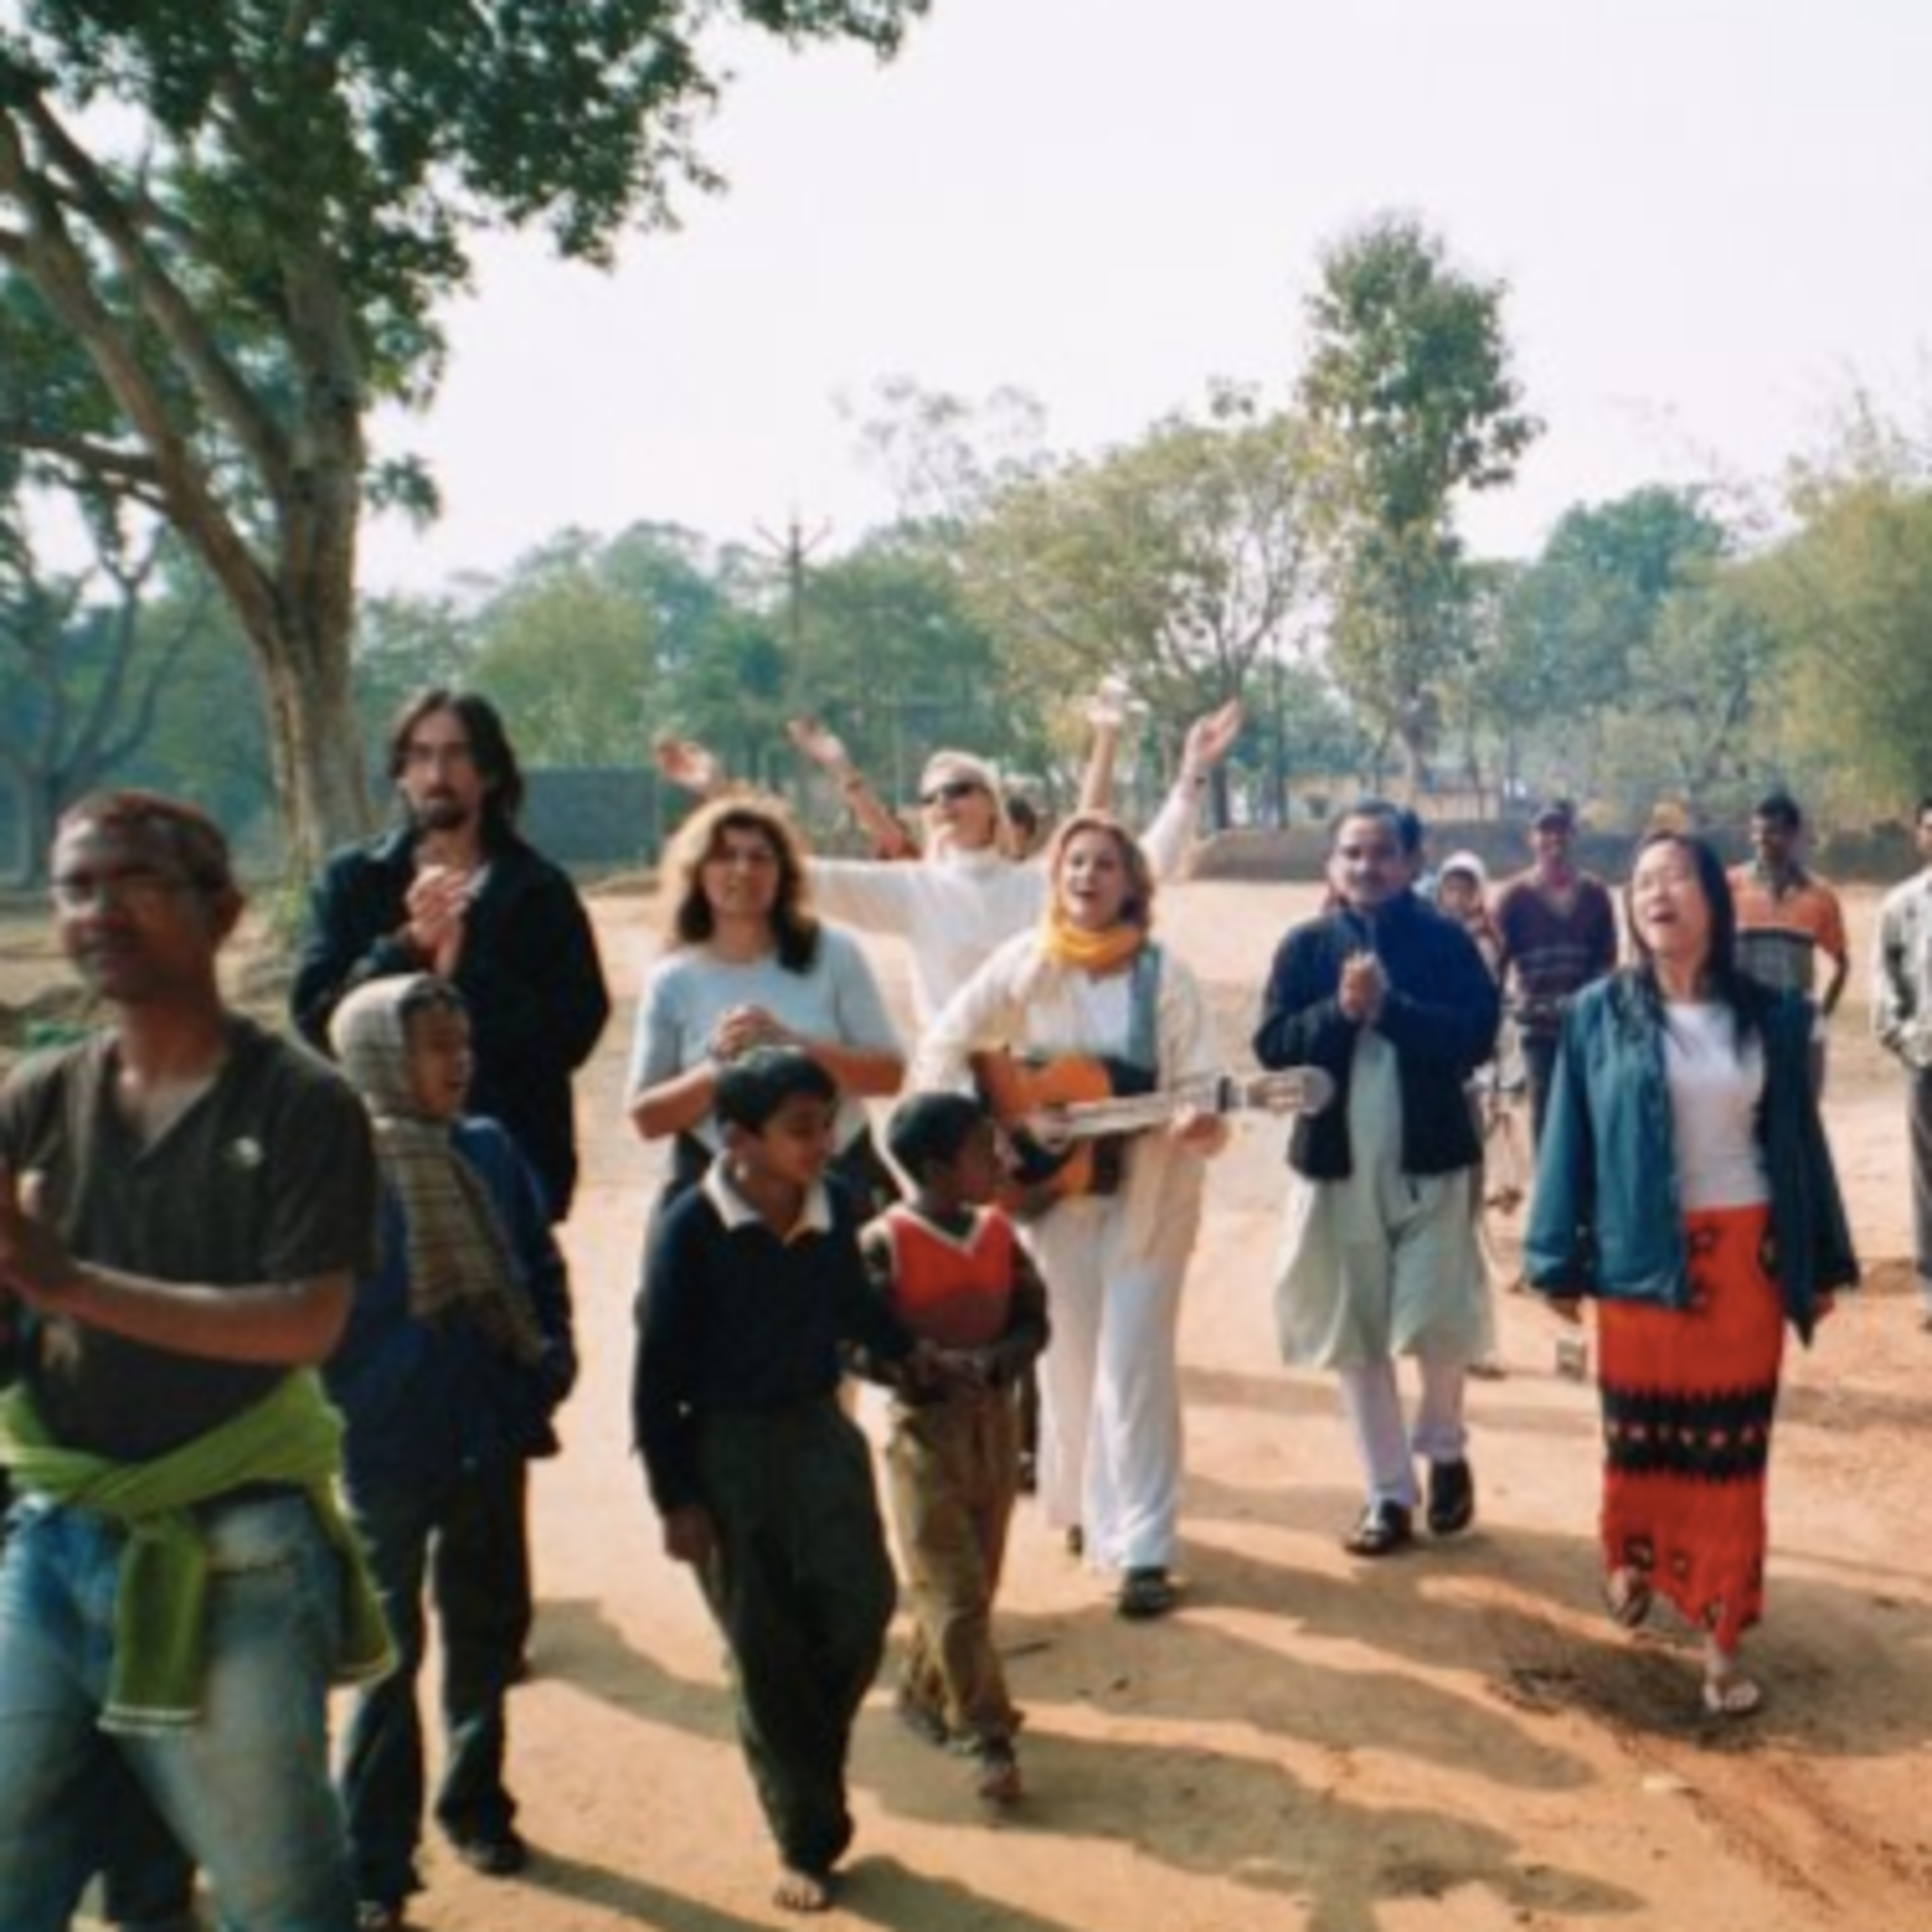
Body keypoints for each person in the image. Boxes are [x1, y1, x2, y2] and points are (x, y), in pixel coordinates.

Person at [0, 790, 389, 1930]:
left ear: (222, 912)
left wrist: (70, 1283)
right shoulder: (37, 1097)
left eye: (136, 881)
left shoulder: (305, 1102)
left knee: (281, 1897)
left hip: (239, 1552)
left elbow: (305, 1323)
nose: (99, 911)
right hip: (54, 1533)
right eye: (77, 887)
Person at [1525, 831, 1857, 1716]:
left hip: (1744, 1268)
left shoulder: (1773, 1014)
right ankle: (1634, 1558)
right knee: (1639, 1443)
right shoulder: (1599, 1012)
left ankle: (1721, 1641)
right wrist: (1556, 1257)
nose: (1657, 893)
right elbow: (1567, 1137)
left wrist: (1821, 1258)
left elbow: (1799, 1143)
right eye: (1642, 882)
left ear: (1714, 897)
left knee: (1729, 1462)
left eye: (1676, 877)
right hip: (1637, 1264)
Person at [632, 1047, 929, 1913]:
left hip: (818, 1435)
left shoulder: (834, 1203)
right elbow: (656, 1373)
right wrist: (675, 1498)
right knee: (764, 1646)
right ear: (737, 1139)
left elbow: (854, 1307)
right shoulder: (690, 1227)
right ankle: (807, 1838)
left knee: (863, 1606)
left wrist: (914, 1356)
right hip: (725, 1452)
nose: (823, 1142)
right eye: (801, 1129)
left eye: (827, 1124)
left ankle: (801, 1744)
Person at [912, 811, 1229, 1618]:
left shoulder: (1165, 976)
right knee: (1072, 1362)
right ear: (1055, 878)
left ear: (1132, 885)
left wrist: (1198, 1120)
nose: (1088, 877)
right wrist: (1001, 1131)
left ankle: (1146, 1548)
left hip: (1151, 1197)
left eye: (1106, 865)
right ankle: (1090, 1509)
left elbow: (1202, 1082)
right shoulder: (1023, 965)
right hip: (1052, 1200)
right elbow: (942, 1049)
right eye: (1075, 863)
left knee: (1135, 1362)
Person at [325, 976, 578, 1931]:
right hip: (383, 1451)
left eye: (463, 1043)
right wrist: (369, 1394)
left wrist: (548, 1363)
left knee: (486, 1631)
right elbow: (316, 1315)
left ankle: (476, 1807)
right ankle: (375, 1862)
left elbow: (540, 1264)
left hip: (487, 1434)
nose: (458, 1062)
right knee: (386, 1656)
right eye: (435, 1046)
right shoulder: (339, 1168)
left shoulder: (488, 1148)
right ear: (380, 1057)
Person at [658, 696, 1244, 1030]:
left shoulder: (1039, 886)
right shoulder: (912, 890)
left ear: (992, 803)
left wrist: (1193, 773)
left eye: (959, 788)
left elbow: (1147, 861)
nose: (943, 801)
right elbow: (791, 871)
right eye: (931, 796)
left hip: (1042, 1086)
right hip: (951, 1092)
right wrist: (719, 794)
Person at [1255, 799, 1500, 1558]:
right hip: (1338, 1165)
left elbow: (1476, 1036)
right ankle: (1389, 1494)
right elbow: (1273, 1046)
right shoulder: (1305, 948)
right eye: (1353, 854)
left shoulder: (1446, 942)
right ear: (1332, 865)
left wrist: (1389, 1010)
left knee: (1438, 1319)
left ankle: (1445, 1444)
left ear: (1413, 863)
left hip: (1431, 1158)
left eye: (1384, 853)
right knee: (1355, 1332)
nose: (1367, 867)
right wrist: (1338, 1011)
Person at [292, 687, 611, 1225]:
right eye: (420, 755)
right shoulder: (353, 881)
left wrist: (467, 967)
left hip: (514, 1162)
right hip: (379, 1170)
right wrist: (406, 947)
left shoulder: (539, 890)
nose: (436, 774)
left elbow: (572, 1033)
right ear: (401, 773)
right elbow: (317, 1017)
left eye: (456, 754)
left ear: (490, 773)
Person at [851, 1092, 1049, 1806]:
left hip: (995, 1425)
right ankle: (989, 1737)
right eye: (982, 1151)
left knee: (975, 1582)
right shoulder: (884, 1243)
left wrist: (996, 1360)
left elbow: (1034, 1322)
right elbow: (855, 1341)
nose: (1000, 1160)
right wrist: (919, 1367)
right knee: (958, 1594)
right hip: (925, 1434)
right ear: (937, 1169)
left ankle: (920, 1691)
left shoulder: (998, 1233)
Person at [627, 793, 905, 1215]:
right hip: (718, 1194)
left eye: (760, 858)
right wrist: (722, 1068)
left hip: (837, 1178)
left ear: (783, 873)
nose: (744, 870)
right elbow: (646, 1118)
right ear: (697, 872)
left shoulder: (835, 953)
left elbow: (889, 1076)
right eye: (725, 856)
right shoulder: (672, 978)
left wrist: (793, 1046)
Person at [1493, 800, 1619, 1144]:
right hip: (1537, 1027)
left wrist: (1589, 1004)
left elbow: (1607, 959)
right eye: (1545, 831)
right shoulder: (1513, 897)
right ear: (1531, 839)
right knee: (1546, 1114)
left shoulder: (1595, 893)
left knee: (1588, 1110)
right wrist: (1494, 1024)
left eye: (1561, 830)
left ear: (1573, 835)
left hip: (1586, 1027)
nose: (1554, 838)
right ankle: (1549, 1179)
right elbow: (1497, 964)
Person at [1727, 790, 1849, 1093]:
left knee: (1799, 1112)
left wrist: (1820, 1016)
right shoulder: (1730, 886)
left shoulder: (1820, 895)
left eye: (1772, 832)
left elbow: (1842, 964)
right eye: (1756, 832)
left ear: (1794, 834)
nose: (1761, 840)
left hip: (1797, 1028)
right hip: (1743, 1026)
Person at [1872, 793, 1932, 1333]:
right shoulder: (1901, 905)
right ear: (1920, 836)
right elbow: (1885, 986)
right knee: (1928, 1175)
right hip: (1927, 1060)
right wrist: (1910, 1040)